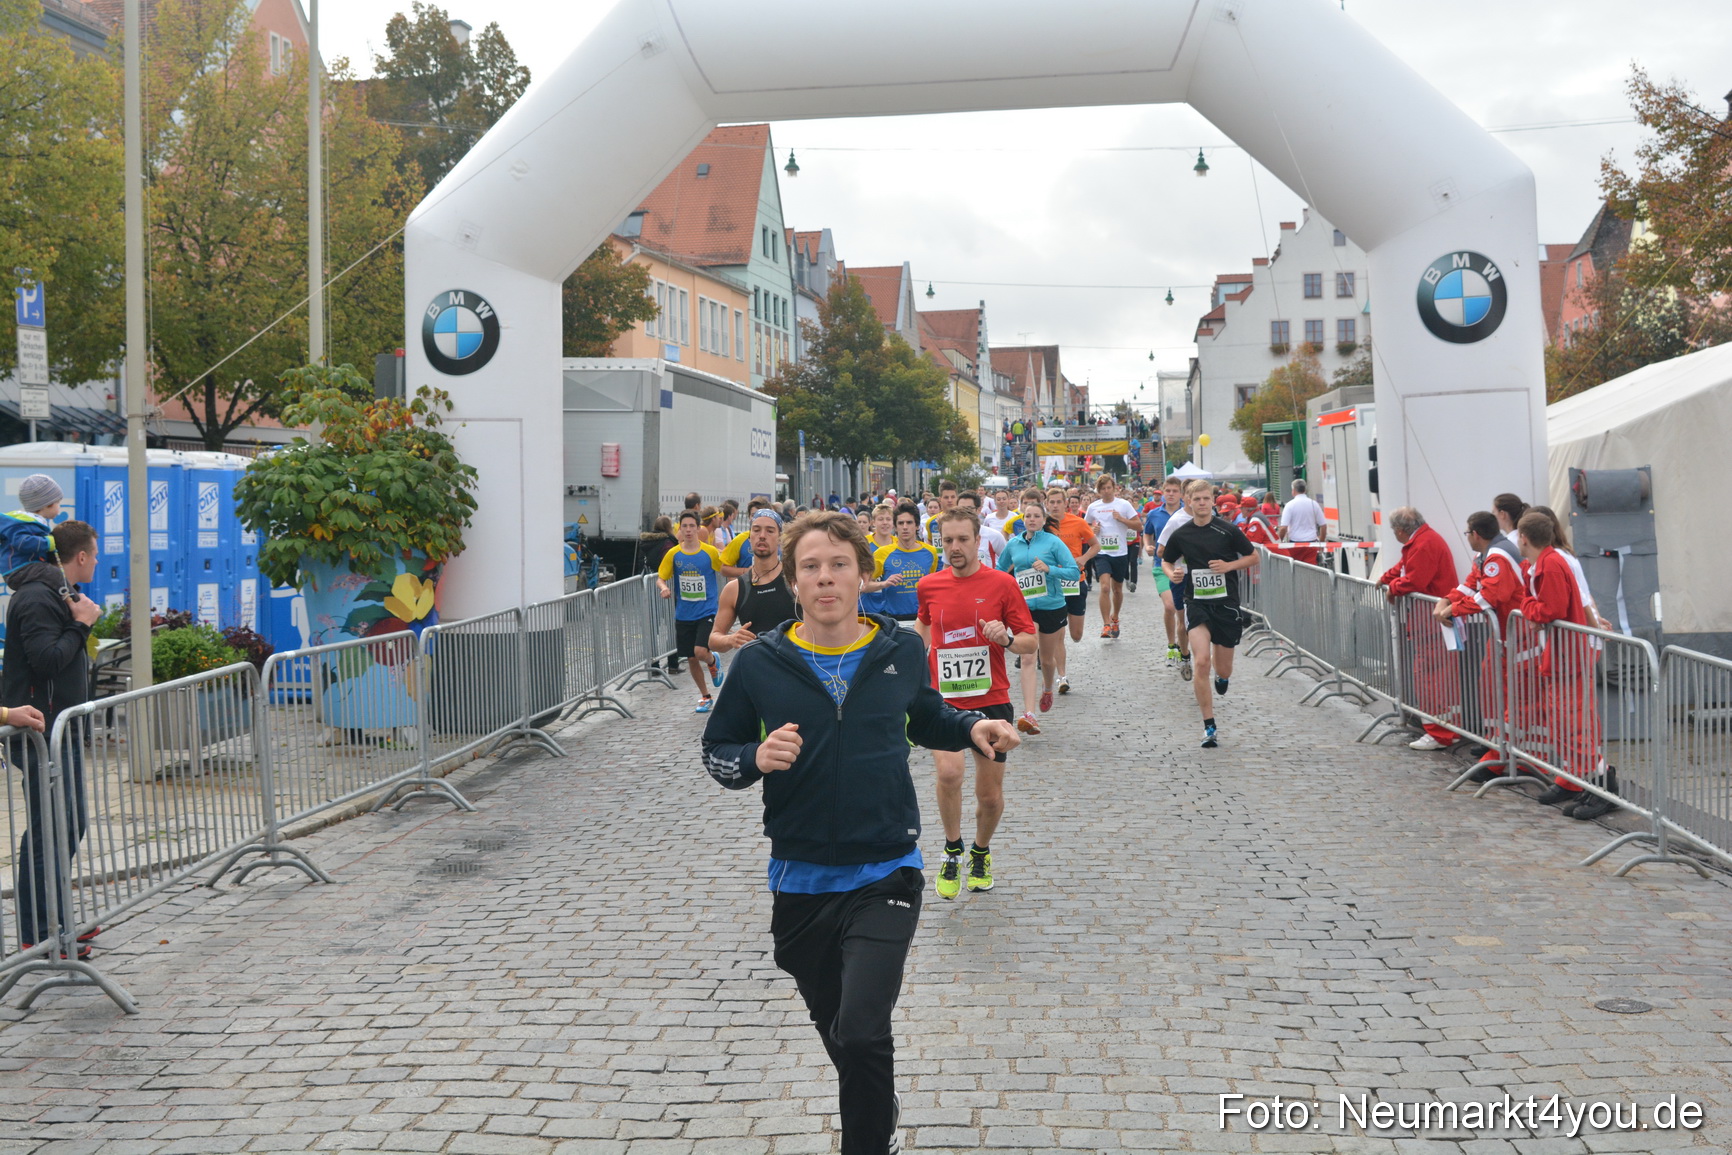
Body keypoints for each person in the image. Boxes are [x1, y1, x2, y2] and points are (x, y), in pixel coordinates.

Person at [701, 511, 1020, 1155]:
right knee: (845, 1035)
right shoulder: (761, 664)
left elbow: (923, 712)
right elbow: (718, 749)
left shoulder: (899, 649)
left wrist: (968, 728)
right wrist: (752, 760)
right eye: (811, 567)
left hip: (886, 869)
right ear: (793, 581)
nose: (826, 579)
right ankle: (875, 1098)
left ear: (863, 575)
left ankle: (869, 1141)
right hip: (800, 877)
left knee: (865, 1029)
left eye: (839, 565)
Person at [918, 508, 1036, 899]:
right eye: (947, 540)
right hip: (943, 702)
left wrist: (1004, 639)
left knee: (989, 795)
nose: (954, 547)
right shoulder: (929, 585)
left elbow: (1029, 642)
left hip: (992, 701)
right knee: (949, 775)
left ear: (977, 540)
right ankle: (953, 849)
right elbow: (923, 625)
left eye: (962, 540)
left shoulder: (1002, 585)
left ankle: (980, 851)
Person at [5, 520, 99, 957]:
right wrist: (81, 626)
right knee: (50, 829)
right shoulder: (37, 597)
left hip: (59, 728)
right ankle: (39, 932)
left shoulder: (55, 592)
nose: (97, 561)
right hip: (39, 731)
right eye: (95, 554)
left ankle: (57, 919)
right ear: (80, 557)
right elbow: (46, 662)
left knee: (67, 823)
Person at [1514, 511, 1613, 820]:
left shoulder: (1551, 564)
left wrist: (1526, 606)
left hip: (1568, 656)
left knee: (1573, 724)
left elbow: (1549, 609)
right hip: (1564, 655)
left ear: (1524, 538)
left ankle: (1602, 785)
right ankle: (1587, 781)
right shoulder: (1548, 562)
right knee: (1567, 723)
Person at [1161, 481, 1256, 748]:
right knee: (1202, 661)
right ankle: (1209, 726)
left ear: (1213, 501)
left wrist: (1229, 566)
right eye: (1197, 499)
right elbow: (1166, 561)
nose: (1202, 503)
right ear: (1189, 502)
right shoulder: (1182, 534)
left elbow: (1253, 557)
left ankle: (1222, 676)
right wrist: (1173, 574)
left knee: (1223, 667)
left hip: (1226, 605)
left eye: (1206, 499)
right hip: (1197, 603)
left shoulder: (1228, 530)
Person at [1436, 510, 1525, 781]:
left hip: (1516, 636)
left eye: (1468, 533)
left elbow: (1488, 597)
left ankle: (1505, 755)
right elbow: (1469, 586)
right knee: (1493, 688)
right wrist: (1446, 601)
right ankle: (1497, 745)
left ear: (1476, 534)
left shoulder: (1497, 556)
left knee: (1509, 695)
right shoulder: (1487, 555)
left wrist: (1453, 610)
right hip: (1503, 634)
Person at [1377, 507, 1461, 752]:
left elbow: (1414, 579)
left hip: (1430, 622)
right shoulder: (1423, 540)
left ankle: (1439, 733)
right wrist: (1388, 578)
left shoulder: (1424, 544)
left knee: (1431, 677)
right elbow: (1404, 568)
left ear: (1401, 530)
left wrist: (1391, 587)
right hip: (1431, 620)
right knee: (1439, 676)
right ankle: (1446, 729)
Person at [996, 491, 1078, 733]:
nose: (1031, 520)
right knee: (1028, 657)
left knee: (1047, 660)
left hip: (1051, 606)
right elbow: (1000, 571)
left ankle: (1049, 688)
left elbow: (1074, 571)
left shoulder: (1053, 542)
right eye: (1028, 516)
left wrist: (1050, 569)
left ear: (1043, 520)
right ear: (1023, 519)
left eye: (1036, 516)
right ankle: (1029, 714)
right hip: (1024, 609)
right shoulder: (1014, 544)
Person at [656, 510, 725, 712]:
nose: (688, 530)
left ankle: (713, 660)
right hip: (684, 613)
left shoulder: (709, 552)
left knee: (700, 651)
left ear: (697, 528)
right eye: (684, 526)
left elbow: (725, 569)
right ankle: (705, 696)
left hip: (707, 610)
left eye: (691, 526)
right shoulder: (674, 554)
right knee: (692, 658)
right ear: (680, 528)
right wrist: (664, 588)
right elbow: (661, 577)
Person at [709, 509, 798, 656]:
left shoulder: (795, 580)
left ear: (780, 538)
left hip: (794, 670)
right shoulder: (735, 589)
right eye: (756, 530)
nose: (762, 536)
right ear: (749, 537)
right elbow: (714, 639)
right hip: (756, 671)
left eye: (770, 531)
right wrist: (731, 639)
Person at [1045, 485, 1098, 691]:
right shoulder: (1042, 526)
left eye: (1059, 502)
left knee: (1076, 635)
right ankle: (1062, 676)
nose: (1055, 506)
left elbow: (1096, 545)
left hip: (1075, 581)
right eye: (1052, 502)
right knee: (1058, 633)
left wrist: (1083, 558)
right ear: (1047, 504)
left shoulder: (1077, 522)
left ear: (1065, 504)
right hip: (1052, 584)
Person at [1083, 476, 1139, 638]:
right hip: (1101, 553)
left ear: (1114, 488)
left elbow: (1138, 525)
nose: (1106, 491)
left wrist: (1121, 519)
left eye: (1109, 488)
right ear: (1098, 490)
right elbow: (1086, 526)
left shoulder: (1124, 505)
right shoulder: (1094, 507)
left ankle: (1115, 617)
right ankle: (1106, 624)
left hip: (1120, 552)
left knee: (1117, 590)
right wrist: (1093, 529)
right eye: (1103, 489)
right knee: (1105, 587)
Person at [866, 502, 941, 624]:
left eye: (909, 522)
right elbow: (863, 586)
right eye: (900, 523)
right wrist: (884, 584)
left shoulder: (930, 552)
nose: (905, 527)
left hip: (923, 620)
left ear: (917, 525)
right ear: (895, 527)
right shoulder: (882, 553)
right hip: (893, 620)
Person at [1142, 476, 1186, 664]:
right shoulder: (1154, 513)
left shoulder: (1188, 512)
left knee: (1183, 610)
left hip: (1185, 567)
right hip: (1162, 565)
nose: (1171, 494)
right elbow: (1148, 533)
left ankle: (1184, 645)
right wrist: (1147, 546)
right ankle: (1171, 645)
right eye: (1168, 490)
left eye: (1175, 491)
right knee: (1170, 606)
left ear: (1181, 494)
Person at [0, 474, 64, 579]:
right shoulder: (23, 524)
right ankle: (66, 593)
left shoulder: (32, 522)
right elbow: (22, 542)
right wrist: (47, 543)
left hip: (23, 568)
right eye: (58, 502)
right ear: (48, 504)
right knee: (53, 573)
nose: (59, 506)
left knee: (52, 572)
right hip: (18, 569)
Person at [1278, 478, 1326, 567]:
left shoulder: (1289, 505)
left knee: (1296, 571)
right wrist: (1322, 543)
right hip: (1311, 544)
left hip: (1295, 545)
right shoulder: (1313, 504)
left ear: (1293, 490)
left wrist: (1278, 542)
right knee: (1311, 571)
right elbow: (1323, 525)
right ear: (1305, 489)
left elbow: (1283, 528)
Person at [955, 491, 1006, 568]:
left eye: (969, 509)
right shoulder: (951, 537)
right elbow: (947, 565)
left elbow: (1008, 561)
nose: (964, 513)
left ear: (979, 510)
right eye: (960, 509)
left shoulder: (994, 536)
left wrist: (996, 577)